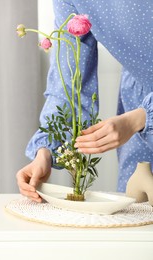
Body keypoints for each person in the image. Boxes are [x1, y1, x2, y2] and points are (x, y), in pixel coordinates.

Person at [16, 0, 153, 202]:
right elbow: (70, 83)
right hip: (138, 107)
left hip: (137, 117)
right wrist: (46, 150)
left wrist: (141, 117)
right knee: (135, 219)